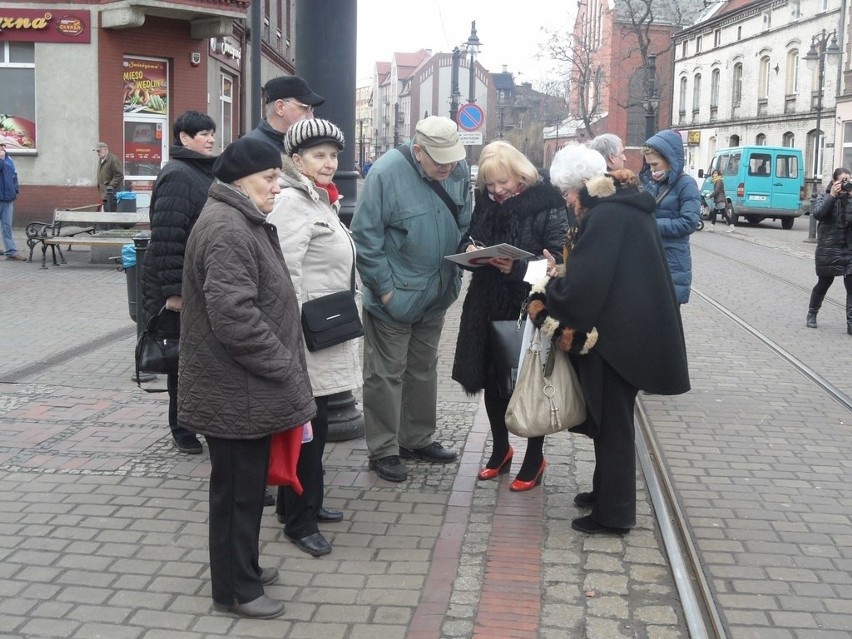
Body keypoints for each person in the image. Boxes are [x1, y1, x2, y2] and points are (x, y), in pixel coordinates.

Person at [179, 136, 314, 620]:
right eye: (269, 178)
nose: (277, 186)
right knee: (237, 492)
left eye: (277, 177)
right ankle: (236, 589)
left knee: (246, 489)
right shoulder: (228, 227)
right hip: (233, 387)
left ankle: (245, 569)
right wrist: (283, 365)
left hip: (241, 386)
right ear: (240, 181)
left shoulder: (239, 218)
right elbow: (234, 318)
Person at [529, 149, 690, 535]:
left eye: (567, 191)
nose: (566, 199)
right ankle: (604, 493)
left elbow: (587, 287)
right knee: (610, 421)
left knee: (613, 427)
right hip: (633, 329)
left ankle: (614, 513)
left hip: (619, 338)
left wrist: (547, 293)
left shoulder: (605, 215)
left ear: (583, 185)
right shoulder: (622, 207)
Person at [350, 115, 472, 482]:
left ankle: (417, 438)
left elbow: (464, 218)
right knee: (385, 375)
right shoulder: (385, 174)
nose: (448, 167)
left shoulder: (458, 169)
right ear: (418, 151)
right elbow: (365, 236)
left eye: (452, 159)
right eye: (439, 161)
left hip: (437, 292)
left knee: (423, 368)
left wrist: (466, 252)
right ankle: (384, 450)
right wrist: (385, 289)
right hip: (394, 297)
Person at [451, 141, 568, 490]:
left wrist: (516, 269)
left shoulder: (547, 203)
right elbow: (468, 238)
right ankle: (501, 450)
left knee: (527, 382)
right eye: (489, 184)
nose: (496, 190)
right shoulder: (486, 202)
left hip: (527, 307)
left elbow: (558, 265)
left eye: (502, 182)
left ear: (520, 173)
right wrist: (469, 250)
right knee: (492, 379)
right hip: (485, 303)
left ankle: (534, 457)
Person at [267, 118, 360, 556]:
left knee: (314, 426)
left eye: (333, 155)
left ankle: (299, 504)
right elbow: (283, 275)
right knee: (309, 427)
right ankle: (300, 521)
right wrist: (290, 338)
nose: (329, 163)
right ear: (296, 159)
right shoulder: (292, 203)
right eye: (319, 156)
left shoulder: (318, 201)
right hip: (306, 335)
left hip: (323, 331)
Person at [141, 111, 217, 455]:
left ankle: (195, 420)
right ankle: (181, 427)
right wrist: (173, 292)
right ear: (183, 138)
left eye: (212, 133)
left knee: (194, 358)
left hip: (197, 281)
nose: (210, 139)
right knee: (180, 360)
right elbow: (167, 239)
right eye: (203, 133)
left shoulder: (200, 172)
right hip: (181, 286)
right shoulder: (178, 175)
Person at [638, 130, 701, 304]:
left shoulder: (686, 184)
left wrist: (650, 225)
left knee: (667, 316)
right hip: (650, 256)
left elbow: (689, 223)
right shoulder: (651, 183)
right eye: (649, 165)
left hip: (672, 261)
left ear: (669, 160)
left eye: (655, 164)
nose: (652, 170)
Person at [806, 167, 852, 334]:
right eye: (843, 180)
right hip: (829, 247)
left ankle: (851, 323)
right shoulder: (825, 196)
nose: (846, 184)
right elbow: (818, 213)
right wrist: (832, 195)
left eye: (849, 180)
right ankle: (812, 313)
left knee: (851, 286)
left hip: (848, 248)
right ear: (834, 182)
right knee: (824, 283)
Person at [244, 75, 324, 152]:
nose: (311, 117)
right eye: (304, 108)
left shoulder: (307, 144)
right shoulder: (249, 149)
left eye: (311, 109)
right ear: (280, 107)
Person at [0, 142, 25, 261]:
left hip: (8, 198)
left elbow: (14, 176)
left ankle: (11, 251)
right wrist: (0, 159)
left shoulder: (8, 159)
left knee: (7, 226)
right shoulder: (3, 159)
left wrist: (15, 190)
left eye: (2, 146)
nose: (2, 148)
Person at [94, 142, 124, 208]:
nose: (98, 153)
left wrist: (110, 186)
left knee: (111, 214)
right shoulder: (101, 160)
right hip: (105, 194)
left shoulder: (113, 159)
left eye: (99, 151)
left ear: (105, 150)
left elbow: (119, 175)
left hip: (112, 195)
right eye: (97, 151)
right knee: (107, 213)